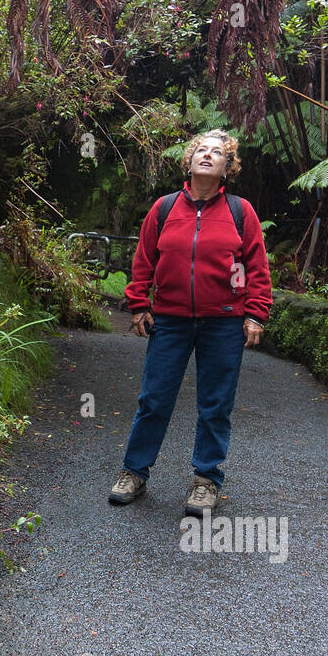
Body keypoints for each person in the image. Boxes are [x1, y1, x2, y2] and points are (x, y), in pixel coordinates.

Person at [109, 130, 272, 516]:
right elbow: (144, 260)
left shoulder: (240, 212)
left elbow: (257, 267)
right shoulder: (165, 208)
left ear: (226, 167)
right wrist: (138, 305)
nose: (207, 155)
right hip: (170, 320)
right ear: (189, 159)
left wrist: (255, 313)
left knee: (215, 404)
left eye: (217, 153)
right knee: (153, 400)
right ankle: (134, 472)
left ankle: (206, 481)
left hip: (224, 324)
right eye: (201, 149)